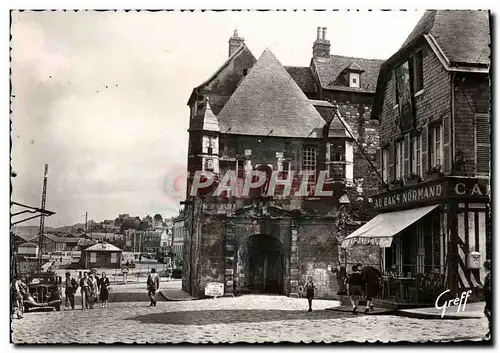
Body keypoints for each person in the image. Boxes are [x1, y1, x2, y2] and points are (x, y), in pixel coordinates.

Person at [483, 260, 492, 339]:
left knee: (487, 311)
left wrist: (481, 287)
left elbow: (488, 288)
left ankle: (491, 330)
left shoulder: (489, 275)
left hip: (490, 297)